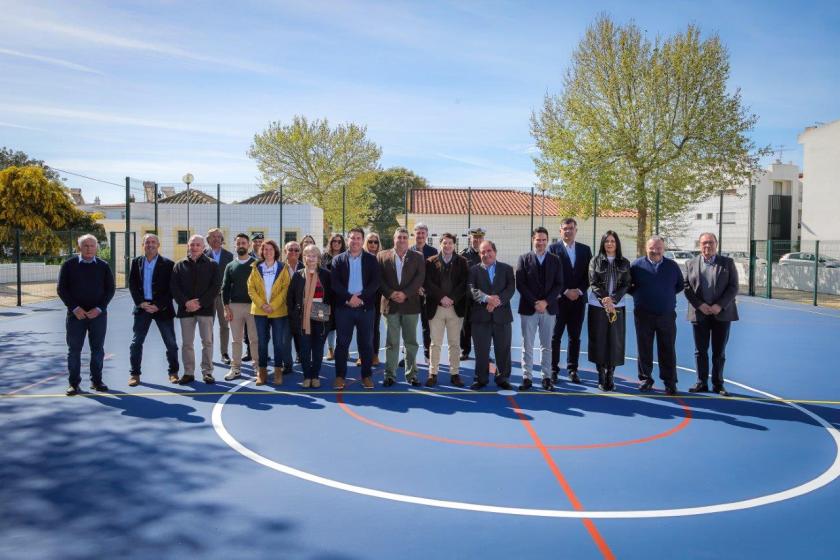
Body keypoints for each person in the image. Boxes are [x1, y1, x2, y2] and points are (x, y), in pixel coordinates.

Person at [57, 233, 115, 395]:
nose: (89, 248)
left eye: (92, 245)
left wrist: (99, 308)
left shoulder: (103, 266)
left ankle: (96, 381)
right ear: (79, 247)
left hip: (98, 316)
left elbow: (110, 289)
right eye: (85, 245)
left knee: (97, 350)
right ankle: (74, 384)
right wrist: (75, 308)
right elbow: (62, 289)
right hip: (76, 316)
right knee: (74, 350)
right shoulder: (68, 265)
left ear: (96, 247)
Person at [684, 232, 739, 396]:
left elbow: (733, 287)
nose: (707, 246)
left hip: (721, 314)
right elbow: (686, 287)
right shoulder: (690, 263)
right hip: (699, 314)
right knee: (700, 351)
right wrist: (700, 305)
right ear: (699, 245)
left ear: (716, 244)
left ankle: (718, 383)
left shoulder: (727, 263)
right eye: (704, 243)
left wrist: (719, 306)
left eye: (710, 243)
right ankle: (701, 382)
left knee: (719, 351)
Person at [629, 235, 684, 395]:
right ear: (647, 249)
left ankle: (670, 382)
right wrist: (642, 296)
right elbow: (628, 286)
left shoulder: (672, 266)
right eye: (652, 248)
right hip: (643, 314)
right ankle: (646, 379)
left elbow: (680, 285)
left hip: (666, 315)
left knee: (667, 349)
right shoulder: (636, 266)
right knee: (644, 348)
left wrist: (664, 296)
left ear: (663, 249)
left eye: (659, 248)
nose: (655, 251)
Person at [331, 227, 381, 390]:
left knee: (366, 344)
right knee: (342, 344)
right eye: (352, 238)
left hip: (365, 308)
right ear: (348, 240)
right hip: (344, 308)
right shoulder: (338, 260)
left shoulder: (372, 260)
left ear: (362, 240)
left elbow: (375, 283)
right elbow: (335, 283)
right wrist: (349, 298)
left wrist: (360, 298)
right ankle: (340, 376)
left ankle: (366, 376)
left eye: (358, 238)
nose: (355, 241)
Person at [516, 227, 564, 391]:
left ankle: (546, 377)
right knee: (527, 345)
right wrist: (536, 302)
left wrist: (546, 302)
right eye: (538, 239)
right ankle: (527, 377)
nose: (541, 243)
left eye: (544, 240)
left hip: (549, 309)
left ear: (547, 240)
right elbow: (520, 284)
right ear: (533, 240)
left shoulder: (555, 260)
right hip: (529, 308)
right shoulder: (523, 259)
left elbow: (559, 284)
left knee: (546, 345)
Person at [127, 233, 179, 387]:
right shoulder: (136, 262)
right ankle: (134, 374)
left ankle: (173, 372)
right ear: (143, 245)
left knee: (171, 343)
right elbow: (133, 285)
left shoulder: (169, 264)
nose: (150, 245)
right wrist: (140, 303)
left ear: (158, 245)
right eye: (147, 242)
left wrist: (158, 305)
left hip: (162, 308)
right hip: (143, 308)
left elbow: (171, 289)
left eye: (153, 242)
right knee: (136, 343)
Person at [171, 234, 221, 385]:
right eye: (192, 244)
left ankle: (207, 372)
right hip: (185, 310)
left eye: (198, 245)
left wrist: (200, 302)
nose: (194, 247)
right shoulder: (179, 265)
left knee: (207, 342)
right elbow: (174, 287)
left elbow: (216, 286)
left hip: (205, 309)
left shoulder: (212, 264)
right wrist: (186, 302)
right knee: (187, 343)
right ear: (188, 246)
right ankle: (188, 372)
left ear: (203, 247)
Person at [379, 227, 426, 387]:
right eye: (399, 237)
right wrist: (391, 293)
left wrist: (405, 293)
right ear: (394, 239)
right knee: (392, 342)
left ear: (408, 240)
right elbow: (379, 279)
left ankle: (412, 374)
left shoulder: (418, 257)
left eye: (405, 237)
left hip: (410, 305)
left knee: (411, 342)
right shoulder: (382, 256)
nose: (402, 240)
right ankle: (390, 375)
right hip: (390, 305)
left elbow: (419, 278)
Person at [549, 218, 592, 384]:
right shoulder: (553, 249)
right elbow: (551, 276)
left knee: (575, 336)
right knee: (555, 336)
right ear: (560, 231)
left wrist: (579, 291)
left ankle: (572, 369)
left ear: (576, 230)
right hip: (559, 301)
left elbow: (589, 276)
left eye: (571, 228)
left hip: (579, 301)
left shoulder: (585, 250)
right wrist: (565, 291)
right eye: (565, 229)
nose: (568, 231)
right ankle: (553, 369)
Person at [587, 231, 631, 391]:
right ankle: (601, 375)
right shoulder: (595, 261)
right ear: (603, 243)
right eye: (607, 241)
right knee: (599, 340)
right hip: (598, 306)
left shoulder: (624, 262)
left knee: (615, 341)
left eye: (613, 241)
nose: (610, 244)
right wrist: (605, 300)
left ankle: (610, 375)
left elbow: (626, 284)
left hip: (617, 306)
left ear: (617, 243)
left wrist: (613, 300)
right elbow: (593, 282)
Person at [468, 240, 515, 390]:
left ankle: (503, 378)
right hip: (480, 317)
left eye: (489, 251)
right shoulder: (473, 270)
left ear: (495, 252)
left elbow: (510, 288)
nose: (486, 254)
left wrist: (497, 301)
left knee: (503, 349)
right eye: (483, 252)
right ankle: (481, 379)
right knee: (481, 350)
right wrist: (487, 299)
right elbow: (470, 289)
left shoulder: (507, 269)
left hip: (502, 316)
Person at [424, 233, 469, 387]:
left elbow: (464, 284)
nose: (447, 246)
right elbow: (428, 283)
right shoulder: (430, 262)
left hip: (455, 308)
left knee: (454, 343)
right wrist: (441, 298)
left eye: (450, 243)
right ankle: (433, 373)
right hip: (436, 307)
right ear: (440, 244)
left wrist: (452, 299)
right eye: (445, 243)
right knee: (435, 343)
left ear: (454, 245)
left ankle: (455, 374)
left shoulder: (462, 262)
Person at [287, 244, 333, 388]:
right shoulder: (298, 275)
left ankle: (315, 376)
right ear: (304, 257)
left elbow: (331, 297)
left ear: (318, 258)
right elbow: (291, 297)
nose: (311, 258)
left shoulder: (326, 275)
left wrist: (329, 316)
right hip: (303, 316)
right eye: (308, 255)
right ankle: (307, 376)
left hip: (321, 314)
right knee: (305, 348)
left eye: (314, 255)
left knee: (318, 348)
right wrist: (294, 313)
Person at [247, 239, 291, 386]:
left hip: (278, 311)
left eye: (270, 249)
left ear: (275, 251)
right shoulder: (255, 267)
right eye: (265, 249)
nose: (268, 252)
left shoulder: (283, 268)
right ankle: (262, 372)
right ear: (262, 252)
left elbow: (286, 288)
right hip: (260, 311)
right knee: (262, 343)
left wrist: (273, 305)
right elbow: (251, 289)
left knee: (278, 342)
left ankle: (278, 371)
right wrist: (262, 304)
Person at [222, 233, 258, 381]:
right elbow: (225, 288)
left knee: (254, 339)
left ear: (249, 245)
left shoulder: (256, 264)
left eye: (244, 243)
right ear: (235, 245)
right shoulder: (230, 266)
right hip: (235, 306)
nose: (241, 245)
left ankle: (257, 368)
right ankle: (235, 368)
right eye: (238, 243)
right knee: (236, 340)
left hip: (253, 307)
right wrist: (226, 307)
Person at [204, 228, 233, 365]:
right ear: (208, 240)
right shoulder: (203, 255)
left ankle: (224, 353)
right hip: (208, 297)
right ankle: (208, 353)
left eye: (218, 236)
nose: (216, 239)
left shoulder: (229, 256)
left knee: (224, 326)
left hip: (223, 297)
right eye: (213, 237)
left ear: (222, 239)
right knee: (208, 326)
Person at [458, 227, 485, 360]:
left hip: (483, 296)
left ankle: (483, 351)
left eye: (480, 237)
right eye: (475, 237)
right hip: (467, 297)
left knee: (483, 326)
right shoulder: (463, 255)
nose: (477, 240)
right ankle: (465, 350)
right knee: (465, 325)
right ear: (470, 238)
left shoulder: (486, 253)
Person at [321, 233, 346, 360]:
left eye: (339, 241)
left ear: (342, 243)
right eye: (333, 241)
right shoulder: (324, 257)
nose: (336, 243)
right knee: (328, 323)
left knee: (342, 323)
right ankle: (330, 349)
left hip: (341, 295)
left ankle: (342, 350)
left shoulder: (346, 257)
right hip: (328, 294)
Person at [362, 232, 383, 367]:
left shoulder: (382, 258)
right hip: (362, 297)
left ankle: (375, 355)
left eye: (375, 242)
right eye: (370, 241)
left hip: (377, 298)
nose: (373, 244)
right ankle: (361, 355)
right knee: (362, 328)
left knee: (374, 327)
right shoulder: (360, 257)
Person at [283, 241, 304, 369]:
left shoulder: (304, 267)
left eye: (296, 250)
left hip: (299, 309)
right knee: (285, 339)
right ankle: (288, 364)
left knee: (300, 337)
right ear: (285, 252)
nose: (294, 252)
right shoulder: (279, 267)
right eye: (291, 250)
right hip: (283, 308)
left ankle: (301, 357)